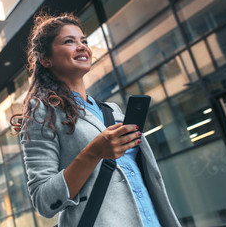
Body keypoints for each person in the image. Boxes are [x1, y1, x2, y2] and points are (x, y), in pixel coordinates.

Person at [10, 12, 181, 227]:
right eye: (69, 41)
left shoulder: (112, 111)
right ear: (46, 59)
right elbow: (43, 200)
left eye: (84, 41)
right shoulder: (42, 113)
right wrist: (94, 151)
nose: (82, 47)